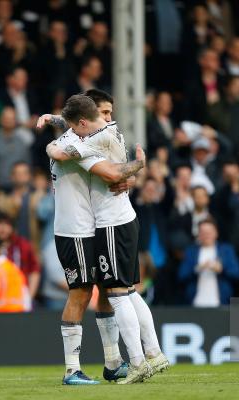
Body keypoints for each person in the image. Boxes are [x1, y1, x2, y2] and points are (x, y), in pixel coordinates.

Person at [46, 94, 167, 384]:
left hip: (97, 227)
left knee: (112, 291)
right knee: (84, 292)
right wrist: (138, 166)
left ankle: (115, 361)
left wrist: (51, 123)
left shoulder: (90, 138)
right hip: (75, 230)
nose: (109, 119)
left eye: (111, 112)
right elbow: (108, 170)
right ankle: (73, 369)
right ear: (86, 119)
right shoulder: (80, 143)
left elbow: (112, 171)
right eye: (103, 112)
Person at [179, 218, 239, 307]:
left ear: (216, 233)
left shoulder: (226, 250)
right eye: (203, 232)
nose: (206, 235)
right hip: (195, 303)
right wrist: (198, 268)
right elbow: (181, 275)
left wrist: (221, 269)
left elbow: (237, 273)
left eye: (209, 232)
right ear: (199, 235)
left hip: (221, 303)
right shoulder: (191, 251)